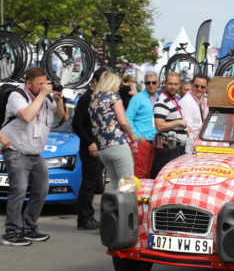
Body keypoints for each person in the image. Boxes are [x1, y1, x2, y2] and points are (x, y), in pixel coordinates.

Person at [1, 66, 65, 246]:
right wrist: (43, 95)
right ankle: (11, 232)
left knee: (41, 190)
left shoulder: (44, 97)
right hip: (15, 150)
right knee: (19, 189)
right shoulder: (17, 96)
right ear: (28, 83)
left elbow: (62, 116)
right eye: (40, 84)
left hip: (36, 153)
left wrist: (58, 100)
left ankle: (29, 228)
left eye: (46, 83)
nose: (44, 87)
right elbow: (27, 116)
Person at [72, 67, 108, 230]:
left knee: (93, 182)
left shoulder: (97, 98)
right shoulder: (86, 98)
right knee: (88, 182)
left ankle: (89, 216)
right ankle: (83, 218)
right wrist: (89, 142)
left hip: (98, 145)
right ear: (95, 81)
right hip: (89, 146)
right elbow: (77, 123)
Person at [89, 71, 138, 191]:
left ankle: (109, 210)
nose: (119, 87)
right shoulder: (114, 97)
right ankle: (125, 210)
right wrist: (132, 135)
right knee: (128, 185)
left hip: (102, 149)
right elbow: (123, 121)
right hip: (117, 144)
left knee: (115, 184)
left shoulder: (94, 100)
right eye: (117, 84)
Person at [150, 72, 189, 179]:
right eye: (170, 84)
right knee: (165, 177)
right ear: (165, 83)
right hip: (168, 146)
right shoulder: (162, 102)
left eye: (176, 84)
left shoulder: (174, 99)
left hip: (174, 145)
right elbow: (159, 126)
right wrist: (179, 122)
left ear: (179, 84)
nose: (173, 87)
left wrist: (185, 127)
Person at [125, 71, 159, 179]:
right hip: (143, 141)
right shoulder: (137, 98)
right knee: (140, 173)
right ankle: (138, 196)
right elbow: (128, 117)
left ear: (158, 83)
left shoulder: (160, 98)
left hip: (157, 141)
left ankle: (147, 196)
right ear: (144, 83)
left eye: (153, 82)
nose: (151, 85)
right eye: (148, 83)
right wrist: (137, 135)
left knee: (152, 173)